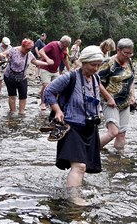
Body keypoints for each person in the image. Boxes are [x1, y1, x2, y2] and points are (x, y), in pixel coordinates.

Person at [44, 45, 114, 206]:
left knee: (82, 167)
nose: (96, 68)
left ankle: (73, 189)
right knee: (80, 166)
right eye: (92, 65)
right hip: (71, 126)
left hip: (89, 127)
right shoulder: (70, 77)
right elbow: (48, 92)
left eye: (98, 65)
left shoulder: (95, 78)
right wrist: (57, 111)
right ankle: (74, 199)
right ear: (83, 62)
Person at [99, 38, 136, 154]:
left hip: (125, 102)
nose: (128, 56)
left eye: (130, 53)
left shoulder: (129, 62)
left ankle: (118, 160)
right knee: (113, 132)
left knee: (121, 133)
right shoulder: (108, 63)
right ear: (118, 50)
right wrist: (109, 98)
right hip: (110, 101)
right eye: (126, 53)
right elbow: (97, 82)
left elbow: (132, 79)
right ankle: (90, 150)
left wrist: (133, 96)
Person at [3, 39, 49, 115]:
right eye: (27, 49)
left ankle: (21, 113)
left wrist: (47, 63)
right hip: (9, 76)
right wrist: (5, 58)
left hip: (22, 77)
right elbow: (2, 54)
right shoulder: (13, 50)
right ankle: (13, 113)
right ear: (23, 46)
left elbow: (35, 61)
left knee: (23, 96)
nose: (29, 50)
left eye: (30, 49)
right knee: (12, 95)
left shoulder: (29, 53)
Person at [38, 35, 72, 111]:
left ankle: (53, 103)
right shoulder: (53, 44)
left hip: (55, 70)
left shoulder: (65, 48)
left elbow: (65, 59)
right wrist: (47, 59)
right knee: (46, 85)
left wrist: (69, 70)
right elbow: (41, 51)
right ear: (61, 42)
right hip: (45, 68)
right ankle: (43, 103)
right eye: (64, 46)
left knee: (58, 87)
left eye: (66, 47)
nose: (65, 48)